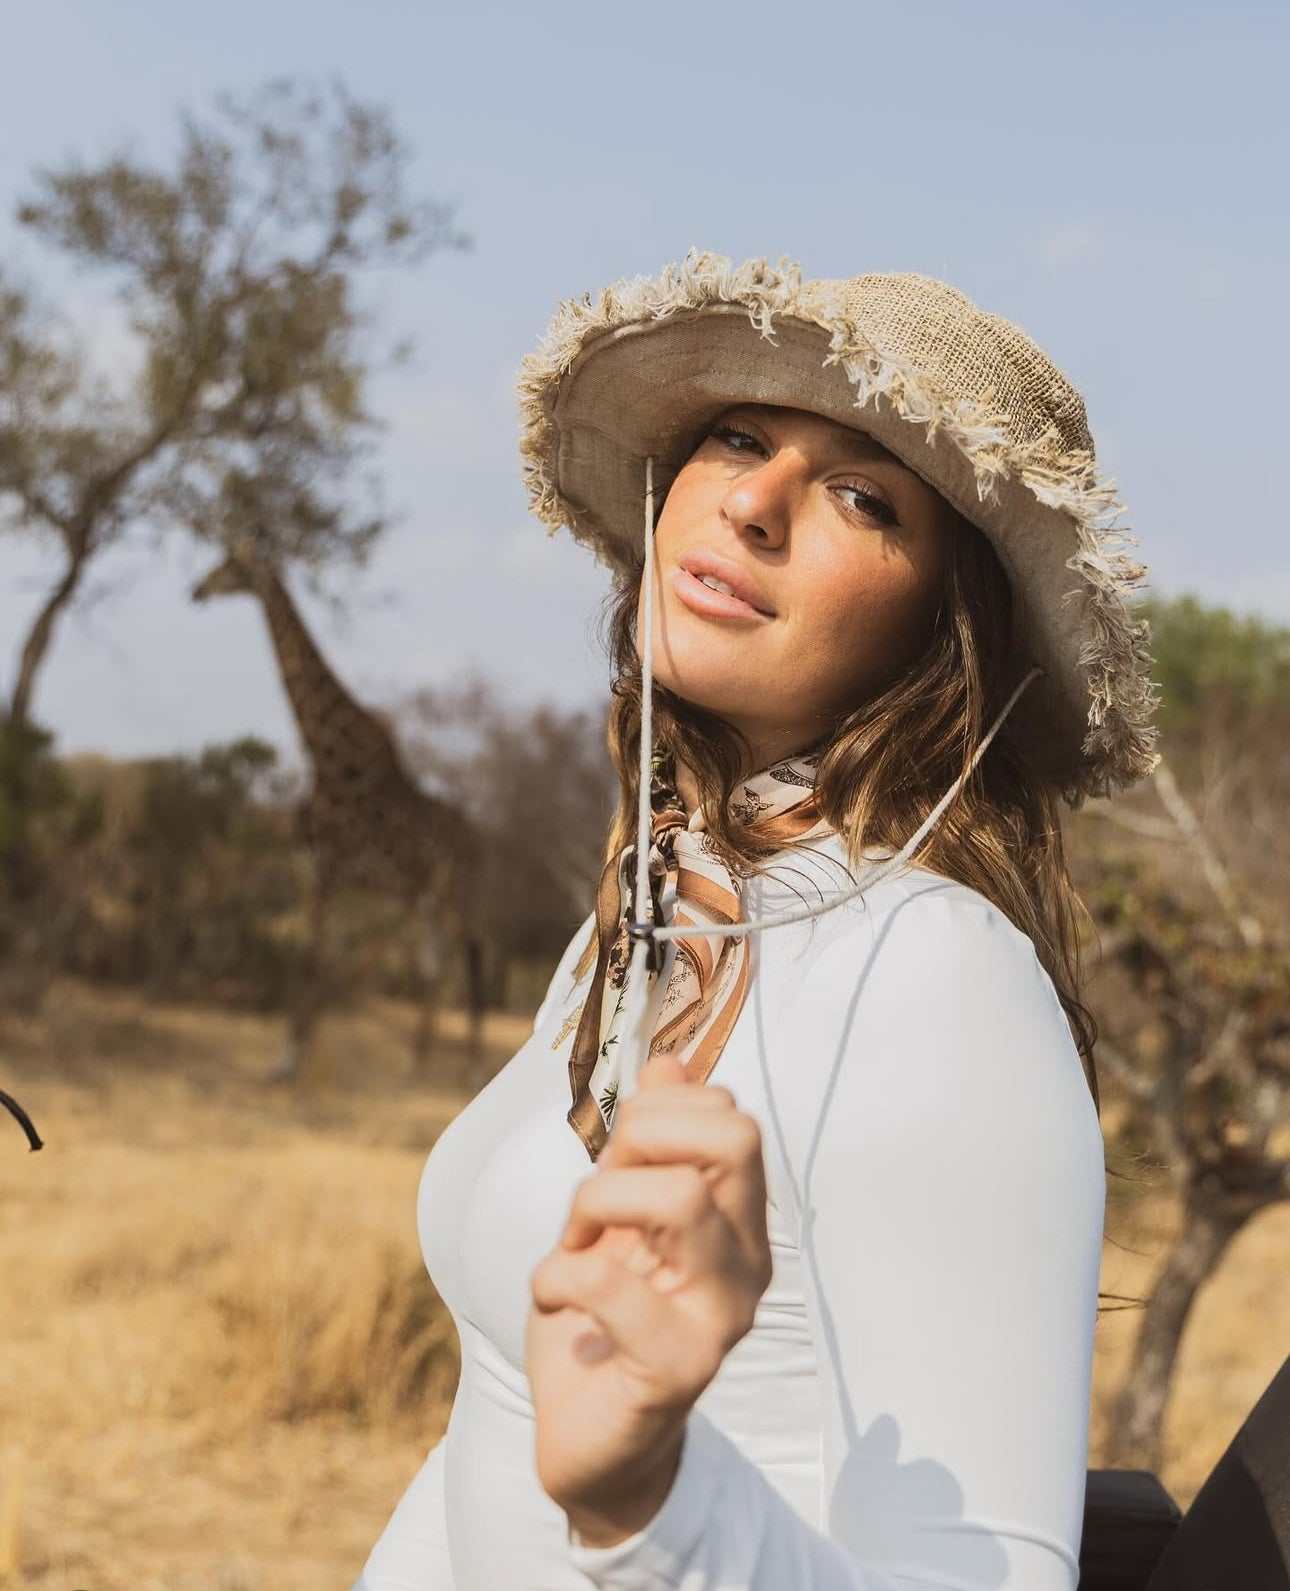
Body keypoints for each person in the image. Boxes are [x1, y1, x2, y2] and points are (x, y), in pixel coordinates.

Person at [352, 249, 1159, 1589]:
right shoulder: (662, 910)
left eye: (861, 497)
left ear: (943, 628)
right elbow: (488, 1435)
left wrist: (650, 1498)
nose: (753, 502)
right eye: (737, 437)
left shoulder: (927, 974)